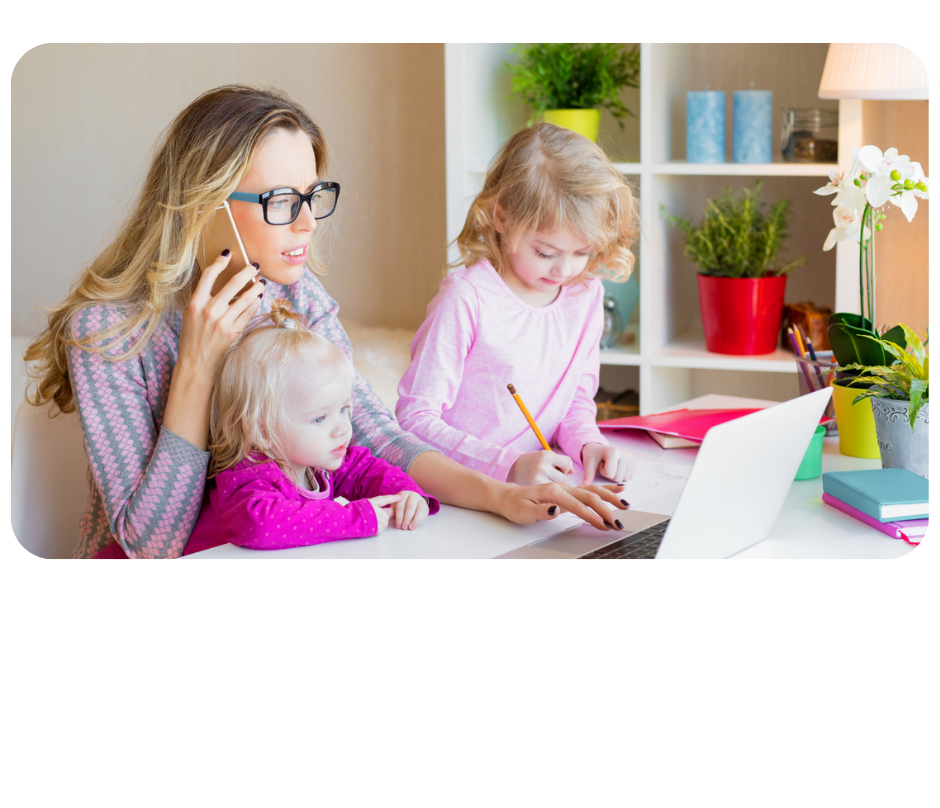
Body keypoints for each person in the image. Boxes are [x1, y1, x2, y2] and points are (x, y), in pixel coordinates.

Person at [24, 86, 626, 560]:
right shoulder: (107, 330)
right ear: (201, 205)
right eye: (282, 202)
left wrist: (505, 496)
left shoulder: (296, 294)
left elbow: (378, 434)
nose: (308, 223)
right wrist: (198, 366)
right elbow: (153, 545)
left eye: (313, 197)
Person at [396, 122, 638, 493]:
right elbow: (414, 421)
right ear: (502, 217)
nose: (565, 269)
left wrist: (590, 444)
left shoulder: (585, 293)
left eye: (583, 252)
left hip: (538, 490)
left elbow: (574, 402)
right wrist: (508, 466)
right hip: (467, 493)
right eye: (546, 252)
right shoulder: (467, 300)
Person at [177, 299, 436, 555]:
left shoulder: (316, 460)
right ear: (263, 431)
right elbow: (259, 526)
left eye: (344, 409)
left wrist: (407, 495)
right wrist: (356, 517)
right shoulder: (248, 476)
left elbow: (369, 470)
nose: (343, 429)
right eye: (320, 419)